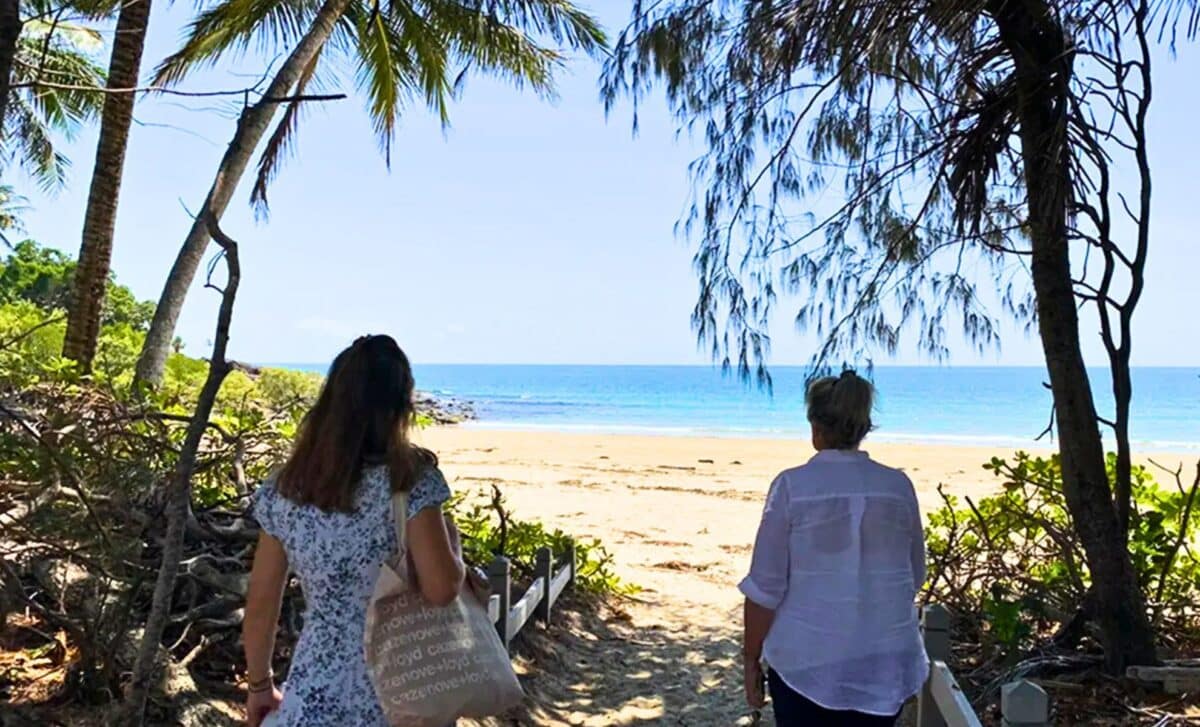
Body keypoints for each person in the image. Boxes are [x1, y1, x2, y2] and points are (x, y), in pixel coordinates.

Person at [242, 335, 467, 727]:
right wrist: (456, 550)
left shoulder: (287, 487)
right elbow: (442, 588)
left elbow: (261, 603)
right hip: (402, 693)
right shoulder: (410, 481)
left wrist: (260, 685)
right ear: (400, 406)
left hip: (315, 692)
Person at [740, 371, 928, 726]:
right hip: (885, 663)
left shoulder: (792, 487)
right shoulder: (898, 487)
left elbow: (765, 589)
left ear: (815, 427)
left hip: (805, 662)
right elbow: (914, 575)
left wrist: (751, 659)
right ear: (863, 427)